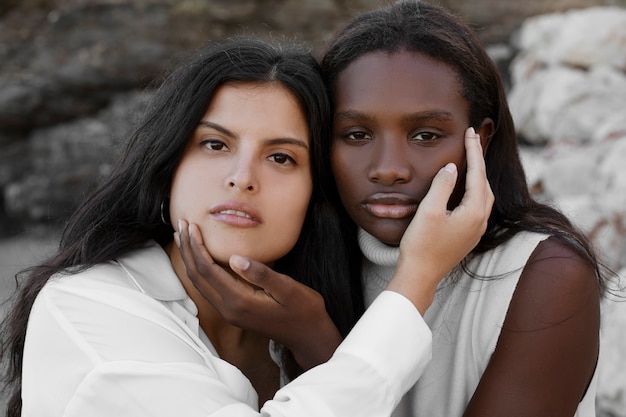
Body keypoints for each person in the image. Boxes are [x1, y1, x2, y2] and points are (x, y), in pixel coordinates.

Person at [0, 37, 493, 417]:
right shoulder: (89, 306)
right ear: (169, 164)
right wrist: (416, 280)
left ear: (314, 194)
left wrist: (313, 336)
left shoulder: (302, 323)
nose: (242, 177)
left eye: (281, 157)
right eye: (215, 145)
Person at [180, 2, 613, 416]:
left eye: (425, 135)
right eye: (355, 135)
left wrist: (313, 339)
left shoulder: (544, 274)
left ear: (478, 140)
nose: (388, 170)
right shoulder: (295, 255)